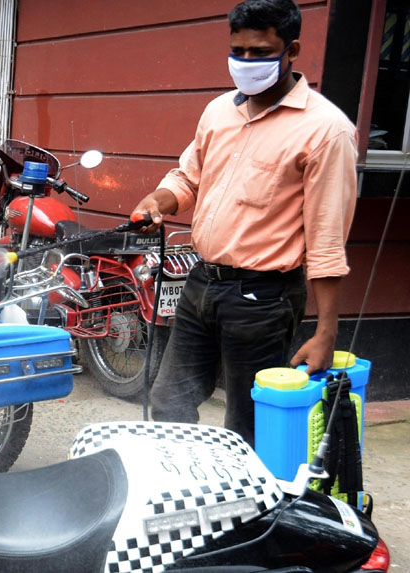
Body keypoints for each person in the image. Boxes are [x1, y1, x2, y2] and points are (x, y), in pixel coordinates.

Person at [129, 0, 357, 446]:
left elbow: (328, 240)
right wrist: (159, 199)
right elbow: (188, 177)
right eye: (239, 51)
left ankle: (250, 513)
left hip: (263, 299)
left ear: (291, 49)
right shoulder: (219, 111)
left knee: (249, 421)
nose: (246, 62)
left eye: (261, 51)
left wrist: (327, 332)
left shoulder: (327, 130)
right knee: (169, 402)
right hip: (202, 282)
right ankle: (184, 492)